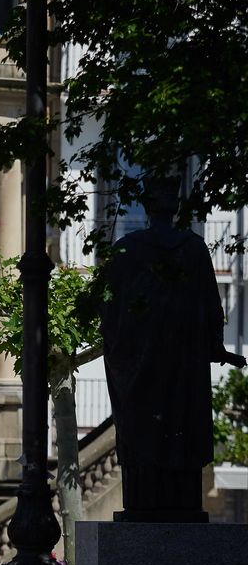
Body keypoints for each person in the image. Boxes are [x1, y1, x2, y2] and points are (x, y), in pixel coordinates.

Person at [99, 174, 246, 521]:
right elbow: (213, 308)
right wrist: (215, 348)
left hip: (142, 365)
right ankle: (180, 500)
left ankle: (145, 500)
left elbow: (108, 305)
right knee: (179, 431)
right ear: (176, 207)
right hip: (184, 367)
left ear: (148, 207)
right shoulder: (193, 249)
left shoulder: (127, 249)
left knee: (144, 430)